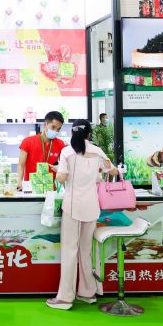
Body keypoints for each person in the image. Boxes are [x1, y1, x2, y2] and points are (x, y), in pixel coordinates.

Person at [47, 120, 119, 311]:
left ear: (72, 133)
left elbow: (61, 177)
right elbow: (113, 170)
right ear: (89, 134)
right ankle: (88, 293)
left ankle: (65, 298)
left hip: (72, 207)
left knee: (69, 251)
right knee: (86, 250)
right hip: (92, 206)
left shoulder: (67, 152)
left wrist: (59, 171)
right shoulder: (98, 151)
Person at [18, 111, 66, 184]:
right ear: (45, 125)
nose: (55, 131)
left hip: (51, 187)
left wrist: (60, 168)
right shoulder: (28, 141)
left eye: (58, 129)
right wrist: (19, 182)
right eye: (53, 127)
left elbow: (64, 165)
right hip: (31, 186)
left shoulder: (60, 144)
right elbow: (21, 165)